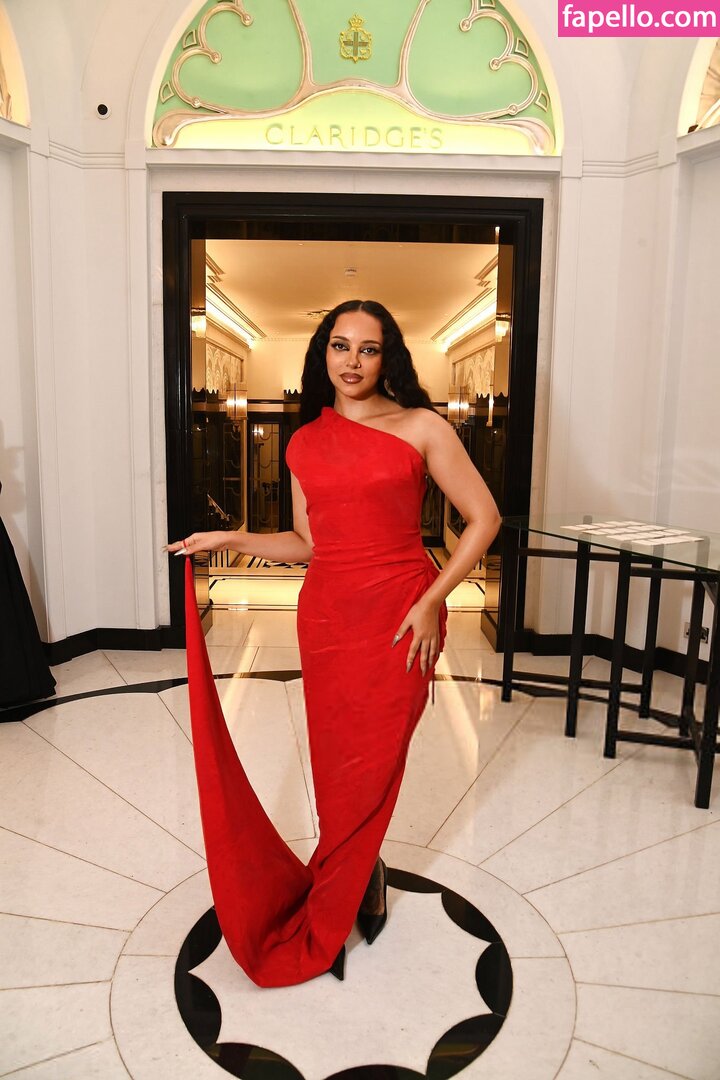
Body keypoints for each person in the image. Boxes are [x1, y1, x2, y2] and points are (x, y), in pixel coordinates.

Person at [167, 299, 500, 987]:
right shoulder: (305, 442)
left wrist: (432, 600)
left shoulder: (422, 427)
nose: (352, 361)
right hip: (327, 619)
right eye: (340, 346)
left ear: (387, 357)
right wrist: (231, 537)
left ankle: (352, 869)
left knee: (373, 763)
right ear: (323, 353)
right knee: (335, 762)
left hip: (401, 614)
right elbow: (308, 543)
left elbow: (484, 518)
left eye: (368, 349)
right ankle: (360, 869)